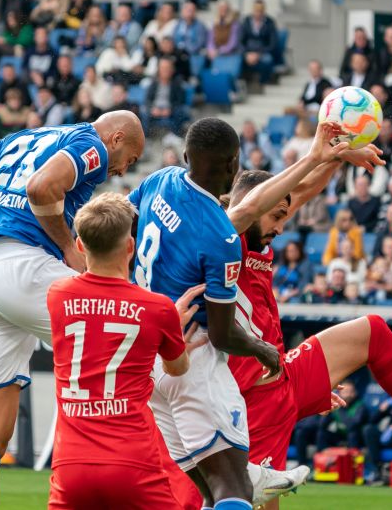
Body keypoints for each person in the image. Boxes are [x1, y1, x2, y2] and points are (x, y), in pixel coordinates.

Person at [0, 111, 145, 510]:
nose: (126, 167)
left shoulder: (19, 140)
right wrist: (69, 248)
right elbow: (42, 188)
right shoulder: (89, 144)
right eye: (131, 156)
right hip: (27, 267)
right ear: (117, 138)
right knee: (133, 361)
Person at [225, 135, 392, 508]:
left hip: (280, 374)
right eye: (277, 216)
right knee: (256, 502)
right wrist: (319, 153)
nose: (283, 227)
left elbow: (302, 191)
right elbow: (262, 204)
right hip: (252, 396)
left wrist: (338, 157)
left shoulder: (255, 233)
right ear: (253, 205)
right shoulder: (225, 238)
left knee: (373, 332)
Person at [127, 118, 308, 510]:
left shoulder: (161, 180)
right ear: (233, 166)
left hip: (151, 360)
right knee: (235, 489)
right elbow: (225, 336)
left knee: (212, 491)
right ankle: (255, 478)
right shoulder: (221, 237)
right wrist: (264, 350)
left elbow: (124, 224)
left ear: (188, 155)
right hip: (192, 360)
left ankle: (256, 477)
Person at [46, 192, 197, 509]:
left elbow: (98, 321)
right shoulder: (158, 308)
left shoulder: (58, 295)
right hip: (132, 460)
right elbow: (177, 368)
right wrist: (173, 330)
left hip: (70, 463)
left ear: (80, 246)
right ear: (131, 247)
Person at [240, 0, 278, 85]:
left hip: (263, 51)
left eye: (260, 11)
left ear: (264, 11)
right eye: (256, 10)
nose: (258, 13)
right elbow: (240, 41)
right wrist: (247, 53)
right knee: (237, 59)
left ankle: (262, 83)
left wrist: (258, 54)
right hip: (248, 51)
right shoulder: (246, 21)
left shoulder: (270, 22)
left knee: (268, 60)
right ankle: (245, 82)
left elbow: (273, 44)